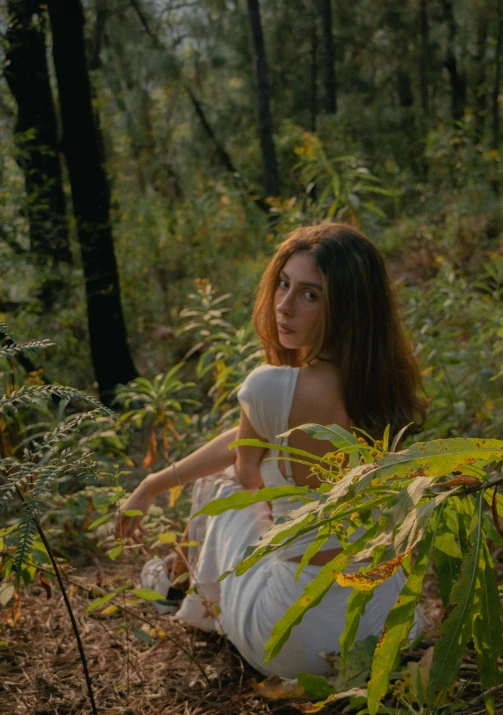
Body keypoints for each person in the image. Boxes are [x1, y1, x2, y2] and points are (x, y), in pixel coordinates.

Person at [116, 223, 427, 678]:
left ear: (348, 308)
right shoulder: (385, 388)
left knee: (218, 487)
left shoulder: (271, 386)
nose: (283, 305)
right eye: (283, 284)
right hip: (387, 624)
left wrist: (159, 485)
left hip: (295, 637)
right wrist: (155, 481)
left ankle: (175, 582)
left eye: (310, 295)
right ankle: (175, 577)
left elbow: (248, 472)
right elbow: (259, 431)